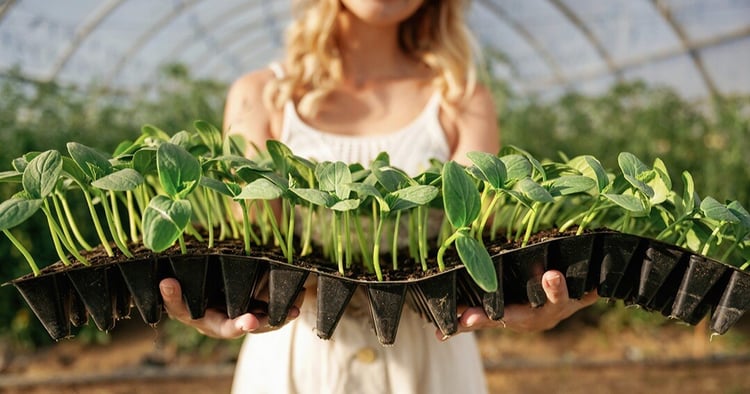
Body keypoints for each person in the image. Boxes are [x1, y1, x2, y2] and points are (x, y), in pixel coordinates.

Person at [158, 1, 599, 393]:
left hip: (427, 361)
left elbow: (472, 244)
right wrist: (213, 296)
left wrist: (521, 300)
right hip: (299, 361)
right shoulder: (261, 95)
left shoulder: (461, 98)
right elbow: (249, 249)